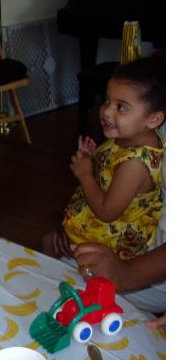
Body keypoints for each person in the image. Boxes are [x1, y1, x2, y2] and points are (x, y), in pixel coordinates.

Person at [42, 53, 165, 261]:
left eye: (121, 107)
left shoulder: (135, 164)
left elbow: (107, 211)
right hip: (94, 227)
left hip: (109, 247)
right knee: (49, 241)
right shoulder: (127, 136)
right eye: (107, 100)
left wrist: (85, 175)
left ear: (154, 119)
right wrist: (92, 159)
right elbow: (109, 174)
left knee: (55, 248)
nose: (107, 111)